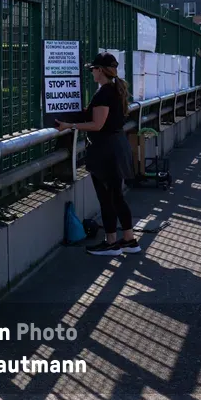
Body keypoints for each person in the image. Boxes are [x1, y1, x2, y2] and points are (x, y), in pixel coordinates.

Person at [56, 52, 139, 256]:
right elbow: (100, 117)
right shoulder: (115, 90)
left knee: (107, 198)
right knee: (117, 196)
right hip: (117, 146)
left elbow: (97, 124)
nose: (91, 72)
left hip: (106, 151)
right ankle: (129, 240)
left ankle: (111, 243)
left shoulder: (104, 92)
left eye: (93, 69)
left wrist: (70, 124)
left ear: (100, 70)